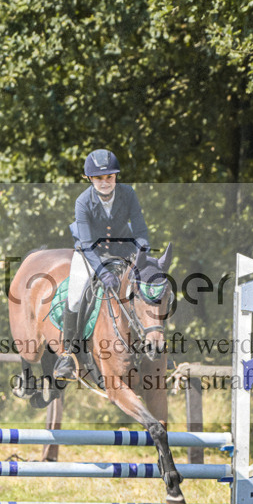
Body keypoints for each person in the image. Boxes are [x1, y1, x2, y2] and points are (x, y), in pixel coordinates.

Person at [53, 149, 151, 380]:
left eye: (109, 177)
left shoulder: (128, 194)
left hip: (123, 250)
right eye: (99, 178)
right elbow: (87, 245)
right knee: (76, 294)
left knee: (150, 286)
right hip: (90, 253)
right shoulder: (83, 202)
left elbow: (140, 230)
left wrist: (143, 254)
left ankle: (156, 341)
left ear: (116, 176)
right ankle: (68, 354)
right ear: (89, 179)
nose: (105, 182)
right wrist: (103, 273)